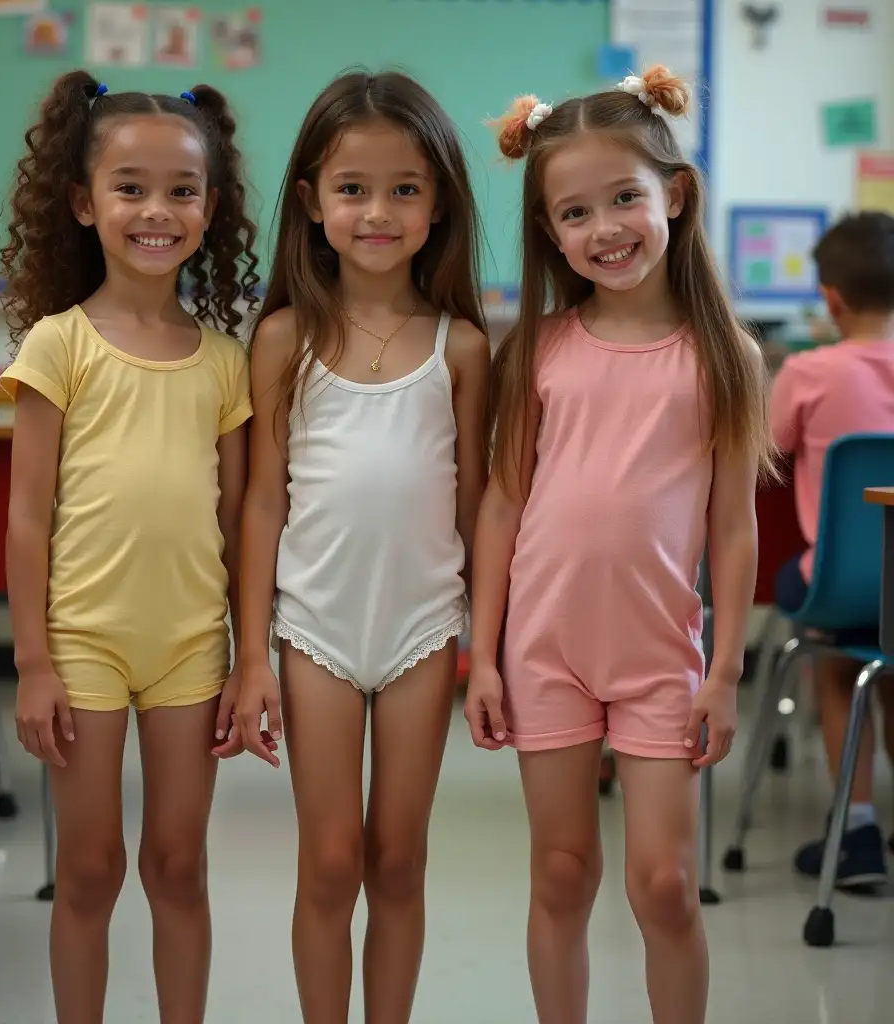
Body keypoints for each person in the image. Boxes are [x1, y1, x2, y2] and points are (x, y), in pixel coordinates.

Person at [466, 67, 776, 1024]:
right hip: (544, 651)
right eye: (574, 212)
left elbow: (733, 525)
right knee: (561, 877)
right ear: (549, 231)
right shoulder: (536, 350)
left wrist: (724, 671)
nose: (604, 229)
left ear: (672, 197)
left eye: (625, 199)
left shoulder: (726, 353)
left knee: (664, 886)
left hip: (659, 659)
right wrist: (482, 654)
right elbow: (501, 506)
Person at [0, 70, 259, 1024]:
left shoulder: (225, 361)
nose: (157, 210)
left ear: (211, 207)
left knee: (178, 864)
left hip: (192, 647)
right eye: (131, 187)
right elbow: (28, 518)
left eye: (181, 190)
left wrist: (246, 657)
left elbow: (240, 522)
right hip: (82, 647)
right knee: (92, 868)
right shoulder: (58, 346)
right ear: (83, 203)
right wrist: (32, 662)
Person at [237, 70, 490, 1024]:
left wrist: (490, 647)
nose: (377, 211)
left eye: (404, 188)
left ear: (439, 204)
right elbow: (262, 505)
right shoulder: (283, 340)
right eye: (352, 189)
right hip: (314, 628)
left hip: (424, 625)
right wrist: (249, 653)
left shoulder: (462, 347)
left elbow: (477, 509)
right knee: (332, 858)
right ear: (311, 202)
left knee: (398, 857)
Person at [770, 211, 894, 890]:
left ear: (831, 298)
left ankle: (857, 831)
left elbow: (766, 457)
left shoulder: (809, 371)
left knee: (841, 664)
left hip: (841, 586)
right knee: (891, 659)